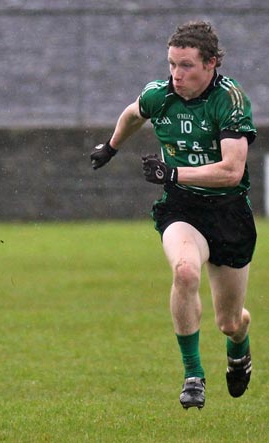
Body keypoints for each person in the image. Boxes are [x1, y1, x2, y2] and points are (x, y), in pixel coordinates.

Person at [90, 21, 256, 409]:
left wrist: (173, 171)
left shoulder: (229, 99)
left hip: (229, 213)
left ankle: (239, 347)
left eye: (186, 66)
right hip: (182, 206)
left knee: (229, 321)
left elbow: (231, 171)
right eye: (171, 65)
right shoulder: (160, 95)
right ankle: (193, 374)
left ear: (211, 63)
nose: (176, 75)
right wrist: (111, 147)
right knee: (184, 271)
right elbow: (133, 114)